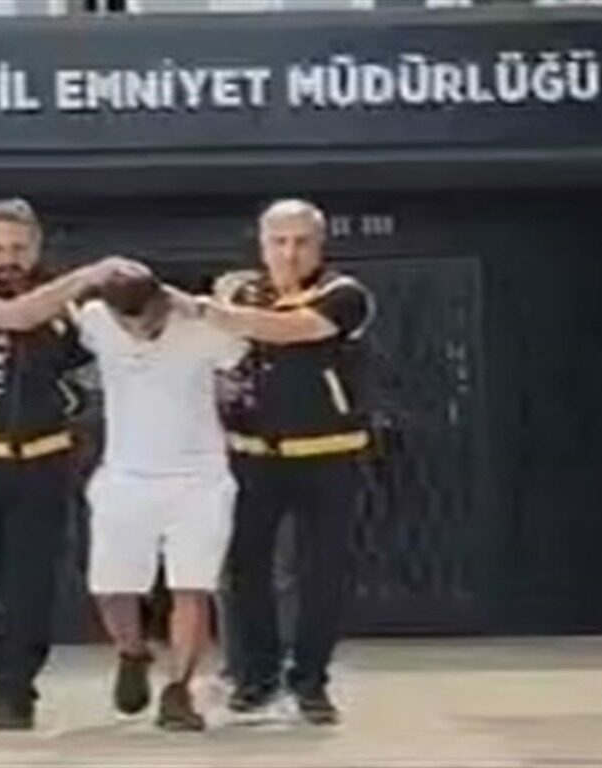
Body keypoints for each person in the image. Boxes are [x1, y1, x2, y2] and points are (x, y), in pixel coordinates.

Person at [0, 197, 143, 730]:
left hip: (40, 462)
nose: (7, 259)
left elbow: (112, 347)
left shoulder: (64, 308)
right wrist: (86, 277)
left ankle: (18, 691)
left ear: (36, 249)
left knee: (32, 585)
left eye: (18, 248)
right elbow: (18, 316)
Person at [195, 199, 376, 725]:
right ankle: (254, 676)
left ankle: (310, 681)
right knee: (242, 570)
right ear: (262, 244)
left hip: (328, 454)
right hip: (251, 455)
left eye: (301, 242)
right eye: (279, 241)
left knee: (322, 572)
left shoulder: (345, 295)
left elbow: (294, 328)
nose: (290, 253)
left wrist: (209, 309)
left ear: (320, 245)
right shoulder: (239, 292)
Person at [72, 269, 246, 731]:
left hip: (199, 478)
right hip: (125, 474)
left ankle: (179, 690)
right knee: (111, 586)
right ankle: (132, 652)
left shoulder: (202, 328)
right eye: (127, 323)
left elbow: (242, 342)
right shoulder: (94, 318)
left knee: (192, 585)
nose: (139, 331)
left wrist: (212, 305)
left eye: (148, 320)